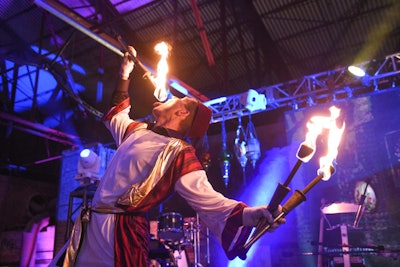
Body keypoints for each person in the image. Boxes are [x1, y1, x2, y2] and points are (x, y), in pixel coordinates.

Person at [53, 46, 284, 267]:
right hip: (90, 227)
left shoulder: (179, 152)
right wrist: (125, 74)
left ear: (182, 112)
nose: (170, 97)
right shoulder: (138, 130)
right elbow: (116, 115)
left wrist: (250, 214)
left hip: (119, 236)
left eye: (179, 99)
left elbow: (208, 200)